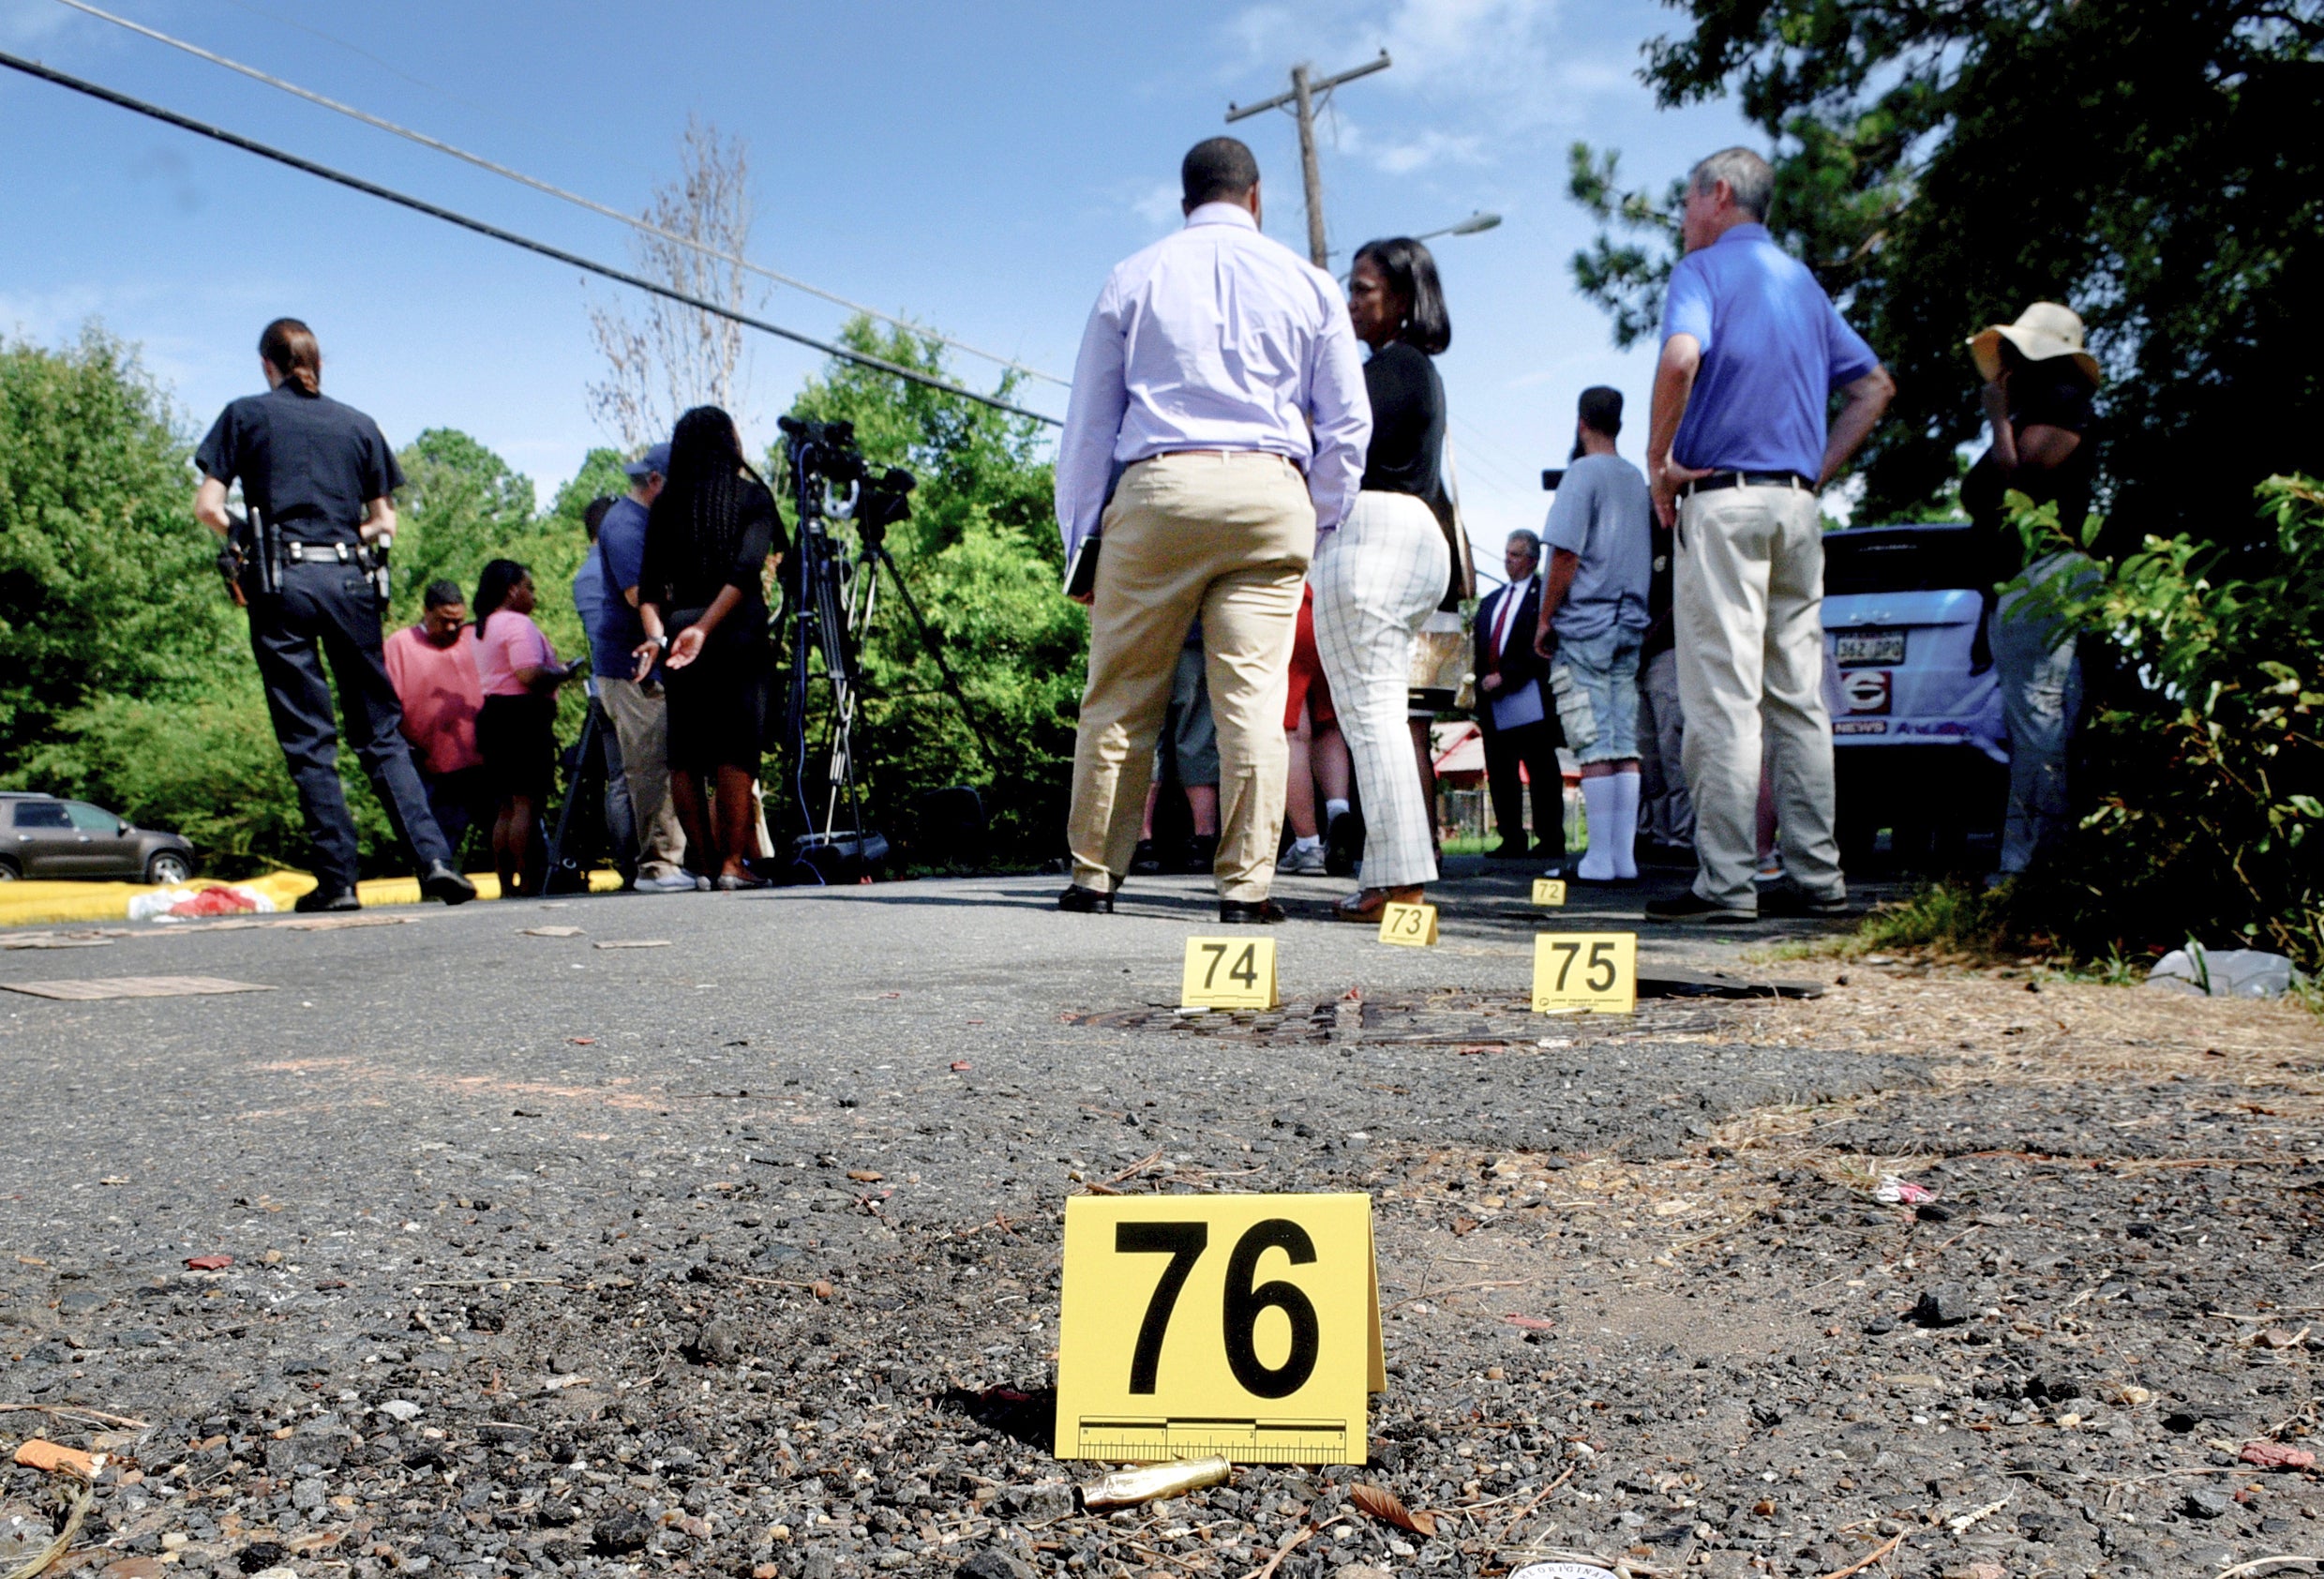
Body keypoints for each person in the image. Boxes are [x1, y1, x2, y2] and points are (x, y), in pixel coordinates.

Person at [1053, 136, 1370, 924]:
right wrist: (1316, 517)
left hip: (1159, 487)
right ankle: (1246, 889)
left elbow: (1089, 426)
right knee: (1255, 705)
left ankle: (1095, 875)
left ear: (1184, 200)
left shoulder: (1134, 276)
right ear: (1255, 197)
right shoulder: (1309, 282)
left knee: (1122, 694)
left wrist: (1081, 541)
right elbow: (1347, 424)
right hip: (1270, 491)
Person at [1640, 147, 1895, 923]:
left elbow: (1681, 357)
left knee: (1720, 698)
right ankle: (1818, 877)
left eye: (1686, 202)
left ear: (1717, 194)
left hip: (1722, 501)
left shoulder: (1704, 271)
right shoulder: (1801, 282)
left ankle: (1725, 884)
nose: (1683, 219)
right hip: (1795, 506)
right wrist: (1813, 470)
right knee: (1797, 697)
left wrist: (1658, 459)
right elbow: (1873, 387)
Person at [192, 318, 474, 912]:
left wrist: (251, 536)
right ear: (317, 364)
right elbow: (385, 522)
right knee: (379, 731)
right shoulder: (358, 424)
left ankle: (339, 882)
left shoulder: (245, 414)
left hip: (283, 581)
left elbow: (208, 507)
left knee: (309, 736)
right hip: (349, 580)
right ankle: (435, 861)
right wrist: (346, 534)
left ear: (268, 365)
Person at [1311, 236, 1453, 922]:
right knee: (1383, 717)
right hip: (1416, 536)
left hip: (1372, 533)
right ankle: (1395, 873)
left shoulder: (1391, 368)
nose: (1349, 301)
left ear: (1399, 298)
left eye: (1361, 289)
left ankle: (1397, 881)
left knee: (1369, 718)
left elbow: (1328, 445)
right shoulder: (1415, 370)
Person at [1961, 301, 2103, 880]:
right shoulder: (2044, 404)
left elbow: (2021, 476)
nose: (2008, 362)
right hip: (2025, 584)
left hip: (2043, 579)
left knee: (2039, 724)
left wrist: (1997, 418)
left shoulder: (2062, 402)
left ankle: (2028, 866)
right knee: (2047, 721)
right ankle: (2051, 858)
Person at [633, 406, 787, 891]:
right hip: (734, 628)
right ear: (730, 443)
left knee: (687, 753)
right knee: (736, 749)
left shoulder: (665, 506)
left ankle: (700, 863)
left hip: (679, 632)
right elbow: (745, 573)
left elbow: (649, 588)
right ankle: (732, 864)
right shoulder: (752, 497)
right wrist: (706, 627)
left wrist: (661, 638)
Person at [1535, 386, 1654, 883]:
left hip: (1586, 621)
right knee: (1624, 738)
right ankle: (1620, 857)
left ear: (1582, 421)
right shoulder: (1635, 477)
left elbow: (1565, 554)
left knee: (1592, 740)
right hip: (1630, 621)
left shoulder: (1582, 474)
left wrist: (1545, 618)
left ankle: (1599, 860)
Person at [592, 443, 696, 893]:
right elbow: (641, 596)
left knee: (661, 759)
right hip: (632, 666)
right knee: (648, 762)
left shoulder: (638, 521)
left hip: (644, 663)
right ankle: (656, 865)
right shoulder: (627, 527)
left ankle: (670, 860)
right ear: (656, 481)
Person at [472, 559, 580, 897]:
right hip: (522, 718)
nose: (534, 596)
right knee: (525, 803)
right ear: (512, 590)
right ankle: (529, 879)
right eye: (529, 588)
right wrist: (563, 672)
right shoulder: (518, 625)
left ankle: (506, 884)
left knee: (505, 806)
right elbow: (528, 673)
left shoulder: (484, 625)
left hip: (492, 714)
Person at [1475, 530, 1563, 867]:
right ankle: (1511, 836)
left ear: (1532, 560)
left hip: (1530, 694)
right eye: (1506, 553)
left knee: (1541, 768)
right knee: (1500, 769)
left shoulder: (1543, 598)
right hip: (1492, 700)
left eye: (1515, 555)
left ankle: (1550, 836)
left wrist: (1508, 676)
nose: (1507, 560)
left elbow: (1542, 645)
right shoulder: (1491, 601)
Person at [382, 579, 488, 857]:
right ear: (426, 611)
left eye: (458, 621)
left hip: (482, 756)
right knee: (441, 833)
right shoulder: (400, 645)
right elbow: (387, 706)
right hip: (430, 762)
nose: (452, 628)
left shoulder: (472, 637)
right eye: (445, 621)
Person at [571, 496, 637, 880]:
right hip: (625, 679)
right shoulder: (610, 567)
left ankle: (627, 864)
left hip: (599, 683)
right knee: (635, 778)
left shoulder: (584, 573)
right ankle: (640, 859)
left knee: (618, 780)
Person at [1132, 625, 1222, 875]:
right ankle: (1204, 842)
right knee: (1198, 731)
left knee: (1145, 734)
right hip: (1193, 632)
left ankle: (1142, 844)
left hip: (1141, 631)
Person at [1281, 587, 1356, 877]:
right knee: (1329, 724)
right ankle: (1338, 810)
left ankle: (1307, 845)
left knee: (1293, 730)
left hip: (1292, 606)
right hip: (1333, 611)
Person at [1635, 511, 1694, 863]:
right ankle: (1656, 832)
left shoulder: (1674, 540)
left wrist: (1648, 640)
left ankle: (1683, 835)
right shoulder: (1631, 550)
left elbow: (1681, 600)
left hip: (1668, 652)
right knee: (1647, 754)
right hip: (1635, 659)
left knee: (1674, 749)